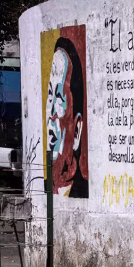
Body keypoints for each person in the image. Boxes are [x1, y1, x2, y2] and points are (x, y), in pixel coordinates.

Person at [46, 36, 89, 198]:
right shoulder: (43, 187)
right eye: (50, 96)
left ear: (77, 130)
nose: (52, 115)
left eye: (58, 98)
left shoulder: (84, 191)